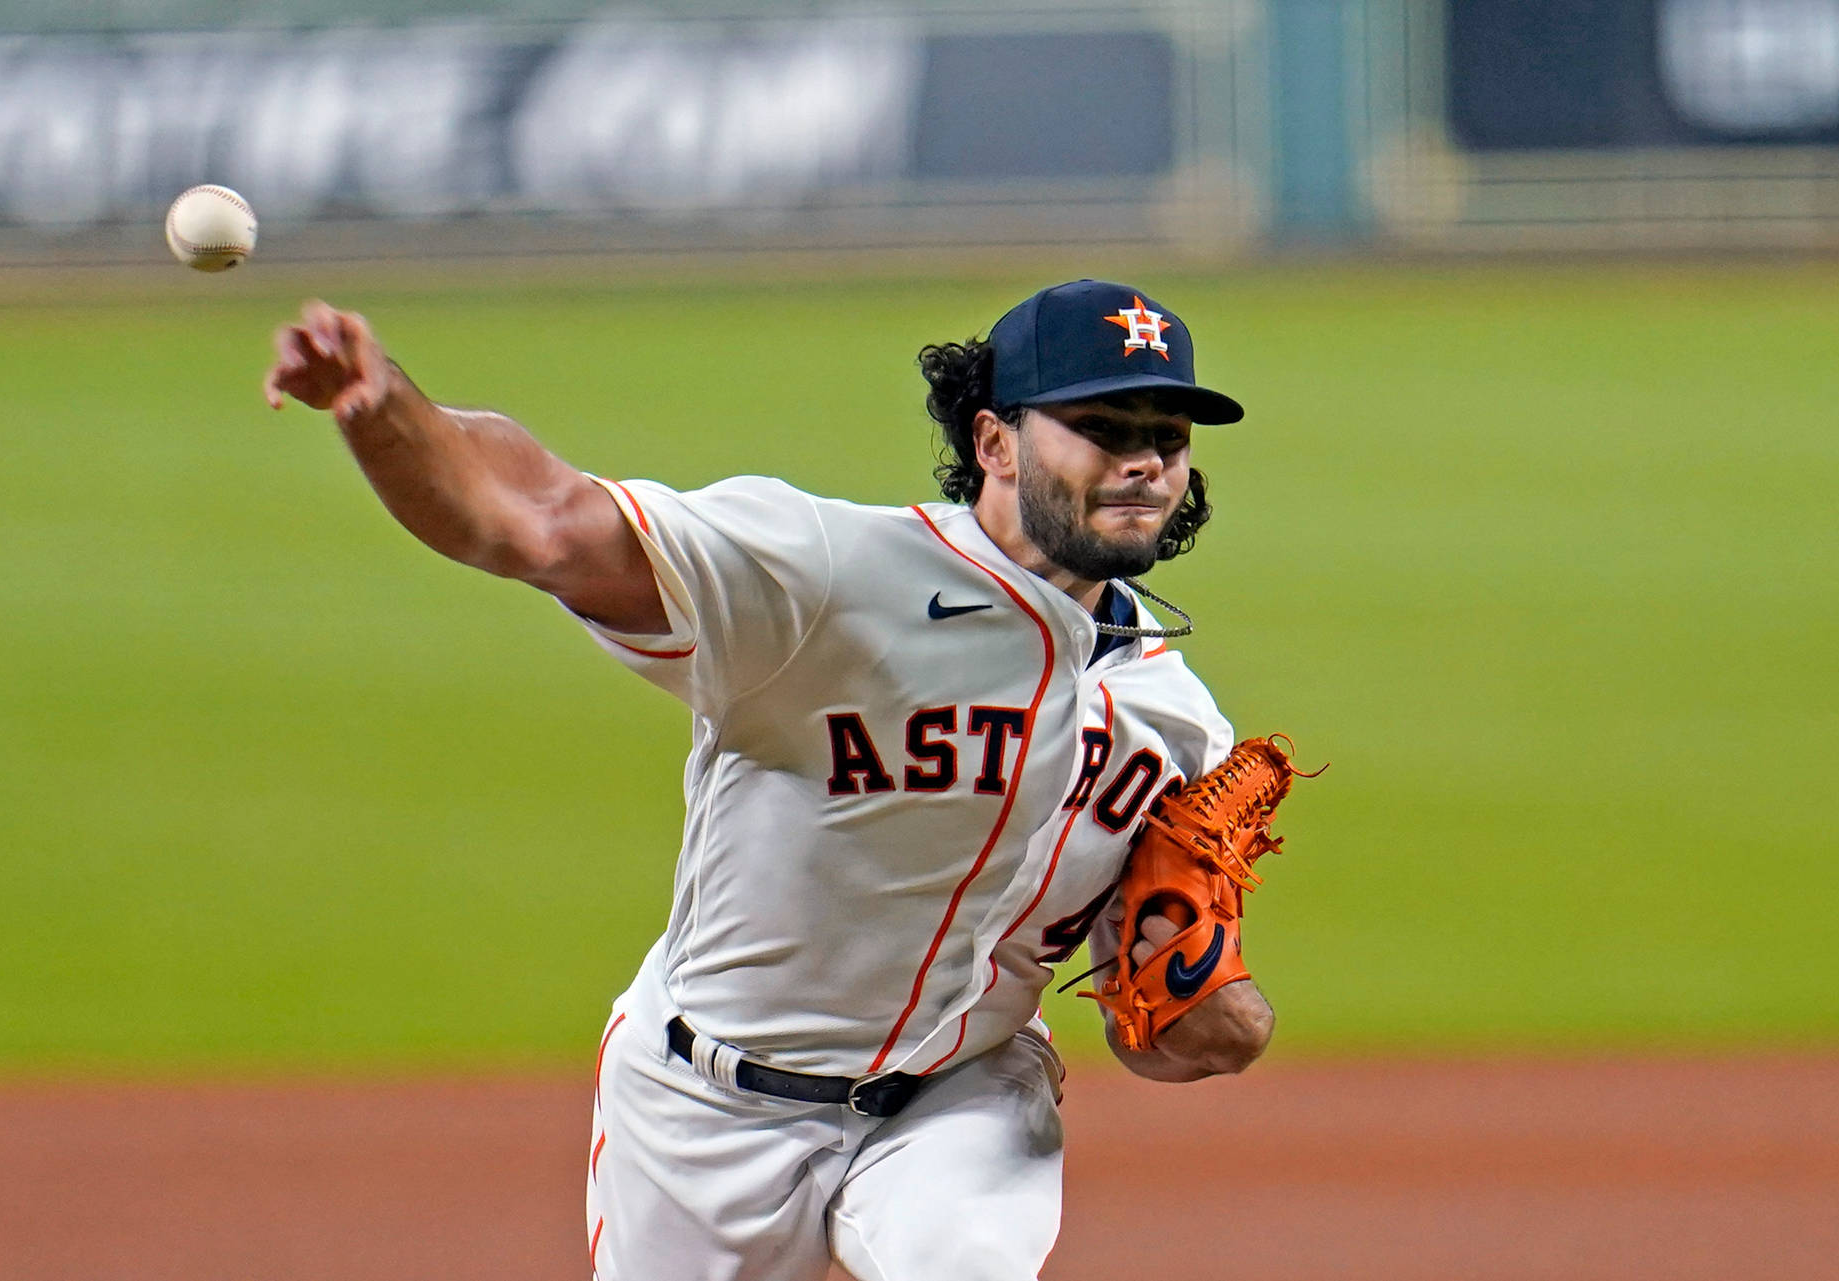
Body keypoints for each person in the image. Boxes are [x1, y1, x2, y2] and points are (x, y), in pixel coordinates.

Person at [264, 278, 1275, 1280]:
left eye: (1169, 435)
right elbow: (540, 518)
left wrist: (1217, 1019)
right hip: (703, 1110)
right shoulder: (834, 576)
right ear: (994, 442)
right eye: (1103, 425)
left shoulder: (1175, 721)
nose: (1144, 460)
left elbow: (1152, 1022)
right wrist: (386, 406)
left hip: (960, 1099)